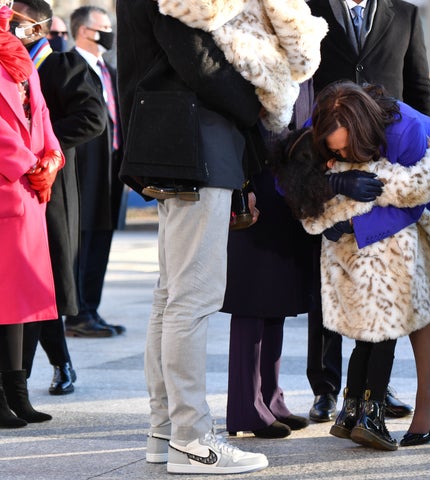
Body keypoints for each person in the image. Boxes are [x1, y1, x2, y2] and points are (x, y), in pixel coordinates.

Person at [275, 81, 430, 447]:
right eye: (334, 150)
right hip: (386, 193)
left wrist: (356, 225)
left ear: (360, 131)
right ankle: (359, 405)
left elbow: (411, 202)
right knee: (378, 299)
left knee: (420, 285)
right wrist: (335, 185)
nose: (339, 154)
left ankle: (426, 399)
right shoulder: (326, 122)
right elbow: (289, 180)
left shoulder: (408, 132)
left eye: (345, 149)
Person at [117, 0, 269, 474]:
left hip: (177, 144)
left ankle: (166, 431)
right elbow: (200, 63)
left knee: (172, 297)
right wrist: (258, 103)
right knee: (193, 298)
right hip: (197, 145)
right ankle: (192, 439)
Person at [305, 0, 430, 423]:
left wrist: (424, 148)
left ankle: (371, 389)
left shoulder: (407, 14)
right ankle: (325, 388)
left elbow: (418, 92)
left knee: (381, 281)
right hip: (329, 151)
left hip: (385, 156)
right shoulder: (309, 8)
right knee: (330, 279)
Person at [12, 0, 106, 396]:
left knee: (43, 282)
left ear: (38, 25)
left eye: (16, 19)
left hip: (52, 189)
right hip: (18, 187)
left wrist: (40, 144)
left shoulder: (62, 65)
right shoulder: (11, 66)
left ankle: (29, 375)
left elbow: (92, 118)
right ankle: (50, 367)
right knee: (29, 284)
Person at [221, 81, 316, 440]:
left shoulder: (304, 60)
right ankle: (246, 406)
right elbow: (239, 124)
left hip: (289, 188)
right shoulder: (254, 52)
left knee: (277, 298)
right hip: (255, 185)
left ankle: (269, 397)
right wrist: (241, 187)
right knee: (252, 299)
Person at [0, 0, 63, 428]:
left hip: (28, 194)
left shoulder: (23, 62)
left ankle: (17, 395)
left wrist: (52, 158)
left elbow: (39, 113)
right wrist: (27, 165)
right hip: (9, 187)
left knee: (19, 303)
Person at [64, 5, 125, 338]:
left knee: (102, 238)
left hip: (111, 168)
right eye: (103, 26)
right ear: (85, 30)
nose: (109, 32)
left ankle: (92, 307)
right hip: (82, 169)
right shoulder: (68, 68)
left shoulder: (109, 71)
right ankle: (75, 315)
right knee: (82, 240)